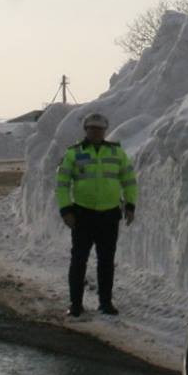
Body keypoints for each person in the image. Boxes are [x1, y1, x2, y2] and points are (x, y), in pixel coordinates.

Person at [55, 111, 136, 318]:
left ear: (104, 131)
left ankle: (105, 303)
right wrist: (66, 210)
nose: (96, 133)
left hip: (109, 215)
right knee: (79, 260)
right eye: (92, 129)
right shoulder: (74, 153)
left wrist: (130, 204)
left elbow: (128, 179)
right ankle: (75, 304)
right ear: (86, 130)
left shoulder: (116, 153)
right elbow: (62, 185)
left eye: (99, 129)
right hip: (83, 214)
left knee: (106, 261)